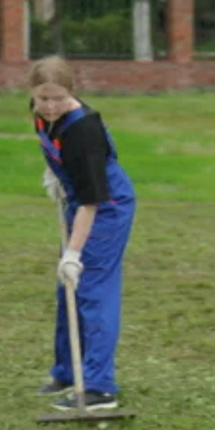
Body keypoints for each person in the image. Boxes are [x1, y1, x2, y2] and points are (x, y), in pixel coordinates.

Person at [30, 56, 136, 411]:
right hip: (78, 201)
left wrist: (73, 254)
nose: (49, 106)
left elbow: (93, 202)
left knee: (92, 289)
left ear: (72, 92)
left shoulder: (83, 131)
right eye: (42, 98)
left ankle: (98, 387)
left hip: (106, 207)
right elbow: (51, 148)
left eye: (57, 98)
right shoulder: (42, 114)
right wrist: (55, 177)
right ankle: (65, 371)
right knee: (68, 290)